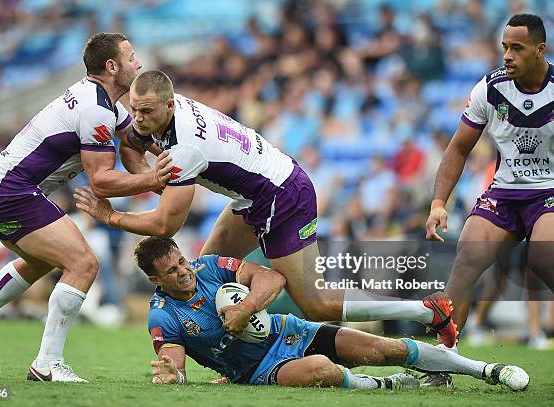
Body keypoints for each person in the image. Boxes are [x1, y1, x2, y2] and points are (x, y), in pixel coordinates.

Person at [74, 69, 459, 347]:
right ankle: (234, 359)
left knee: (317, 303)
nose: (139, 119)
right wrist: (151, 177)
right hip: (256, 194)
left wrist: (110, 215)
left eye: (146, 112)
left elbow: (164, 227)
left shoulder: (184, 147)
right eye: (134, 110)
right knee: (207, 277)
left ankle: (426, 310)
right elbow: (133, 144)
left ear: (170, 105)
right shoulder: (167, 110)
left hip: (282, 196)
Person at [0, 32, 172, 382]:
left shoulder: (105, 103)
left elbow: (135, 140)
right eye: (130, 57)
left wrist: (180, 171)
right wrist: (158, 181)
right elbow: (101, 181)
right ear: (112, 67)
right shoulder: (95, 109)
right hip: (10, 192)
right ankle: (47, 364)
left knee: (40, 261)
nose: (138, 63)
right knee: (83, 263)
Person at [138, 236, 528, 391]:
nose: (185, 271)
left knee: (386, 347)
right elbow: (173, 365)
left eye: (183, 262)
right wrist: (174, 375)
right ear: (156, 279)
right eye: (172, 271)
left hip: (288, 331)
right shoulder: (162, 316)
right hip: (258, 370)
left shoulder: (209, 266)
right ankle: (393, 386)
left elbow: (271, 277)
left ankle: (486, 369)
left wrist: (248, 307)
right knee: (320, 369)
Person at [425, 14, 553, 385]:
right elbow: (457, 149)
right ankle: (441, 363)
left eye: (517, 48)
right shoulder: (489, 89)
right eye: (504, 48)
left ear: (540, 50)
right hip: (505, 194)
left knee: (544, 255)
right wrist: (438, 204)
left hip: (549, 192)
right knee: (465, 260)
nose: (508, 56)